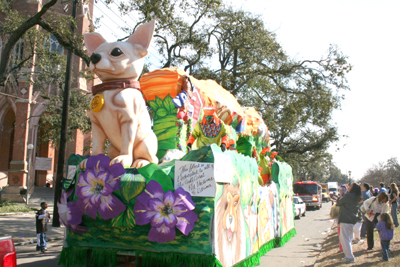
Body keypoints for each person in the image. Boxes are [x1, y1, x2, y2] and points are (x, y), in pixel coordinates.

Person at [336, 183, 362, 263]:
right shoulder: (356, 197)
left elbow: (339, 202)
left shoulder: (348, 196)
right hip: (351, 219)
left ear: (353, 188)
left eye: (350, 186)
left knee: (345, 239)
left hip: (345, 219)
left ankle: (350, 257)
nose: (349, 187)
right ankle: (349, 256)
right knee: (348, 239)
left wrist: (343, 195)